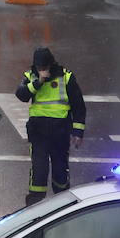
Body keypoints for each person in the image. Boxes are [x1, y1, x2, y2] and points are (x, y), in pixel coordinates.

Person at [15, 46, 86, 206]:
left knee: (60, 173)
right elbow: (21, 95)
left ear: (51, 64)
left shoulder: (66, 77)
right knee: (38, 172)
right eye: (40, 67)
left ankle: (63, 207)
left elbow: (78, 106)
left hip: (60, 133)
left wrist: (78, 132)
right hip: (38, 133)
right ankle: (33, 208)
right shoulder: (30, 77)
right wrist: (38, 82)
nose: (43, 70)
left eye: (45, 67)